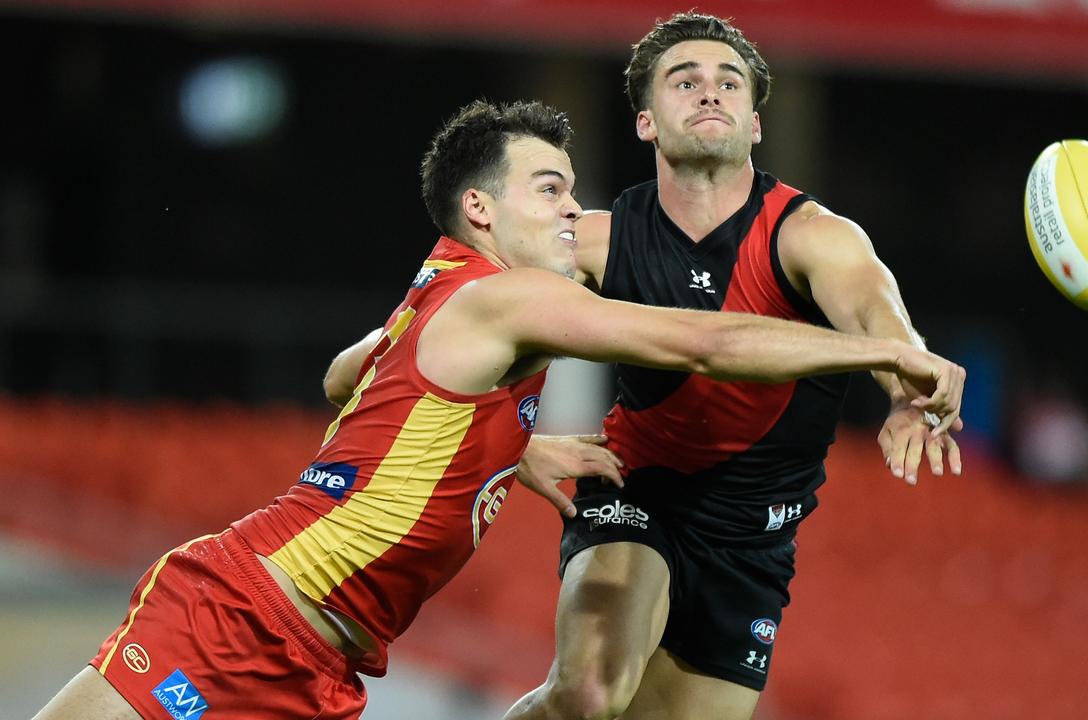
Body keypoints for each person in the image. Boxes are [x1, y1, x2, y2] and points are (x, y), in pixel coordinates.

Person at [34, 99, 962, 719]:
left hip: (321, 664)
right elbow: (705, 340)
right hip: (240, 613)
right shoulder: (507, 298)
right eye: (549, 190)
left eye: (574, 190)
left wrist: (506, 455)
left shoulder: (443, 280)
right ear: (480, 208)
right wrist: (889, 351)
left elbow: (340, 379)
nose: (573, 210)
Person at [503, 13, 965, 720]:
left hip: (755, 540)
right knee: (589, 694)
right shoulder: (593, 239)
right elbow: (470, 327)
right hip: (638, 488)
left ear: (754, 123)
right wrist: (513, 443)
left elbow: (885, 327)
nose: (709, 93)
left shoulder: (816, 238)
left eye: (728, 83)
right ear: (646, 122)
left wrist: (911, 394)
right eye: (684, 82)